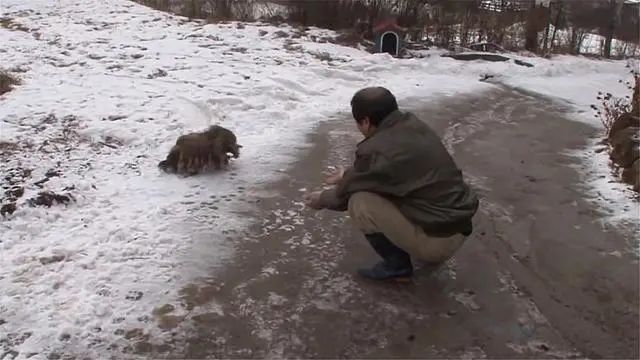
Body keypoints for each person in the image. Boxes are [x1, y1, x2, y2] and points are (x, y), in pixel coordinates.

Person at [303, 86, 479, 282]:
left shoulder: (377, 150)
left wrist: (320, 199)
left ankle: (398, 268)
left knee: (359, 201)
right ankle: (421, 246)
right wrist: (348, 174)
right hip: (457, 225)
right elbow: (386, 172)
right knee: (378, 189)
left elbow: (342, 197)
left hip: (439, 240)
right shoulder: (412, 125)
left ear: (366, 121)